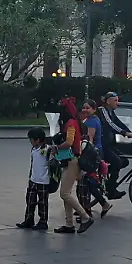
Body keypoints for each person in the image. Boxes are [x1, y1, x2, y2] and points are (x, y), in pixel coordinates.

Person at [54, 97, 94, 234]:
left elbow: (69, 142)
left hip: (71, 160)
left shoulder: (70, 123)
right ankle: (69, 224)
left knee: (64, 193)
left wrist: (56, 148)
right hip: (71, 160)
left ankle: (85, 217)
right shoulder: (74, 122)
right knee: (67, 193)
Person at [97, 92, 132, 199]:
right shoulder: (102, 110)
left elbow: (119, 123)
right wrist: (126, 133)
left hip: (110, 144)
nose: (117, 103)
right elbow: (110, 124)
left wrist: (131, 133)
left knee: (124, 161)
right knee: (117, 162)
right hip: (103, 145)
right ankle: (111, 190)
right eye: (115, 100)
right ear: (108, 101)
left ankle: (105, 177)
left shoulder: (111, 112)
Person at [78, 100, 113, 218]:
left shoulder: (91, 122)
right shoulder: (93, 119)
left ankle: (100, 204)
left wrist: (83, 156)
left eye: (88, 108)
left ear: (94, 109)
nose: (85, 110)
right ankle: (85, 207)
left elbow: (90, 140)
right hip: (96, 153)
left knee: (88, 181)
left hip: (92, 155)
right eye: (83, 107)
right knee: (88, 181)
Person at [16, 127, 51, 230]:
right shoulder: (34, 149)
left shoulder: (46, 149)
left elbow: (53, 161)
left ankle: (43, 221)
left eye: (31, 140)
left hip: (43, 181)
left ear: (37, 140)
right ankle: (29, 219)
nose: (30, 142)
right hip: (33, 179)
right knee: (30, 201)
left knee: (42, 202)